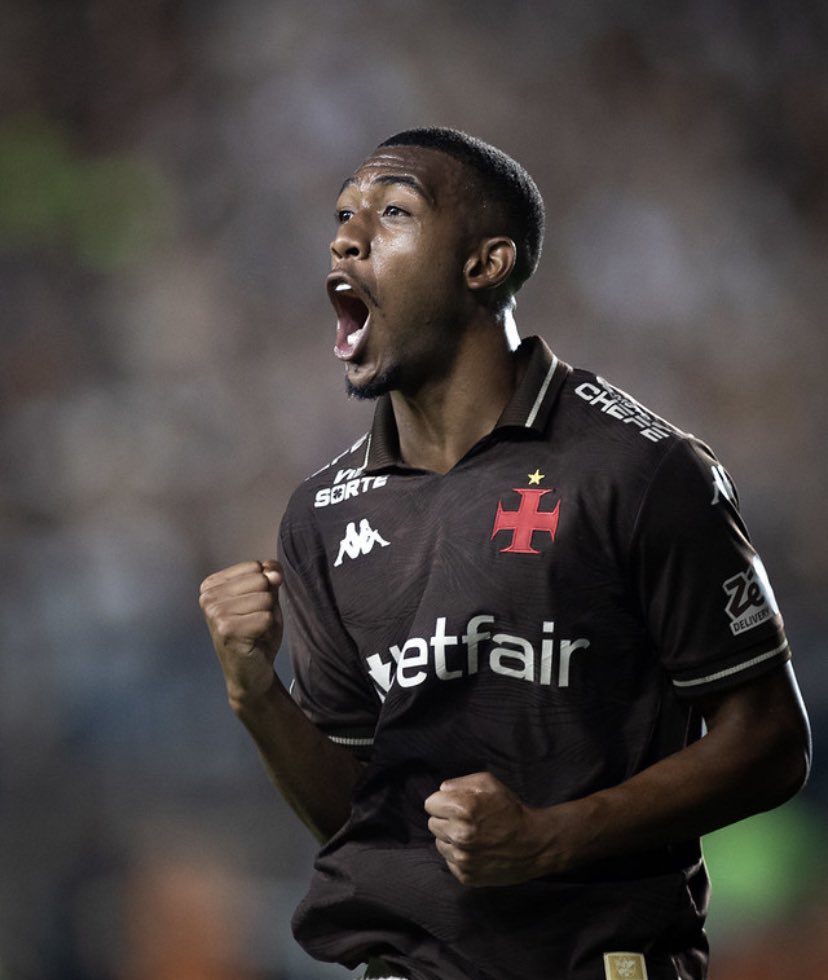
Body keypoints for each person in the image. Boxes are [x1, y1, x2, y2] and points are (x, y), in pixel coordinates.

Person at [199, 127, 811, 980]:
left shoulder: (639, 470)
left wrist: (550, 837)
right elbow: (359, 817)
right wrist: (256, 692)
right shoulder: (321, 517)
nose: (347, 237)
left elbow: (772, 742)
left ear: (485, 264)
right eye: (342, 215)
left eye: (394, 211)